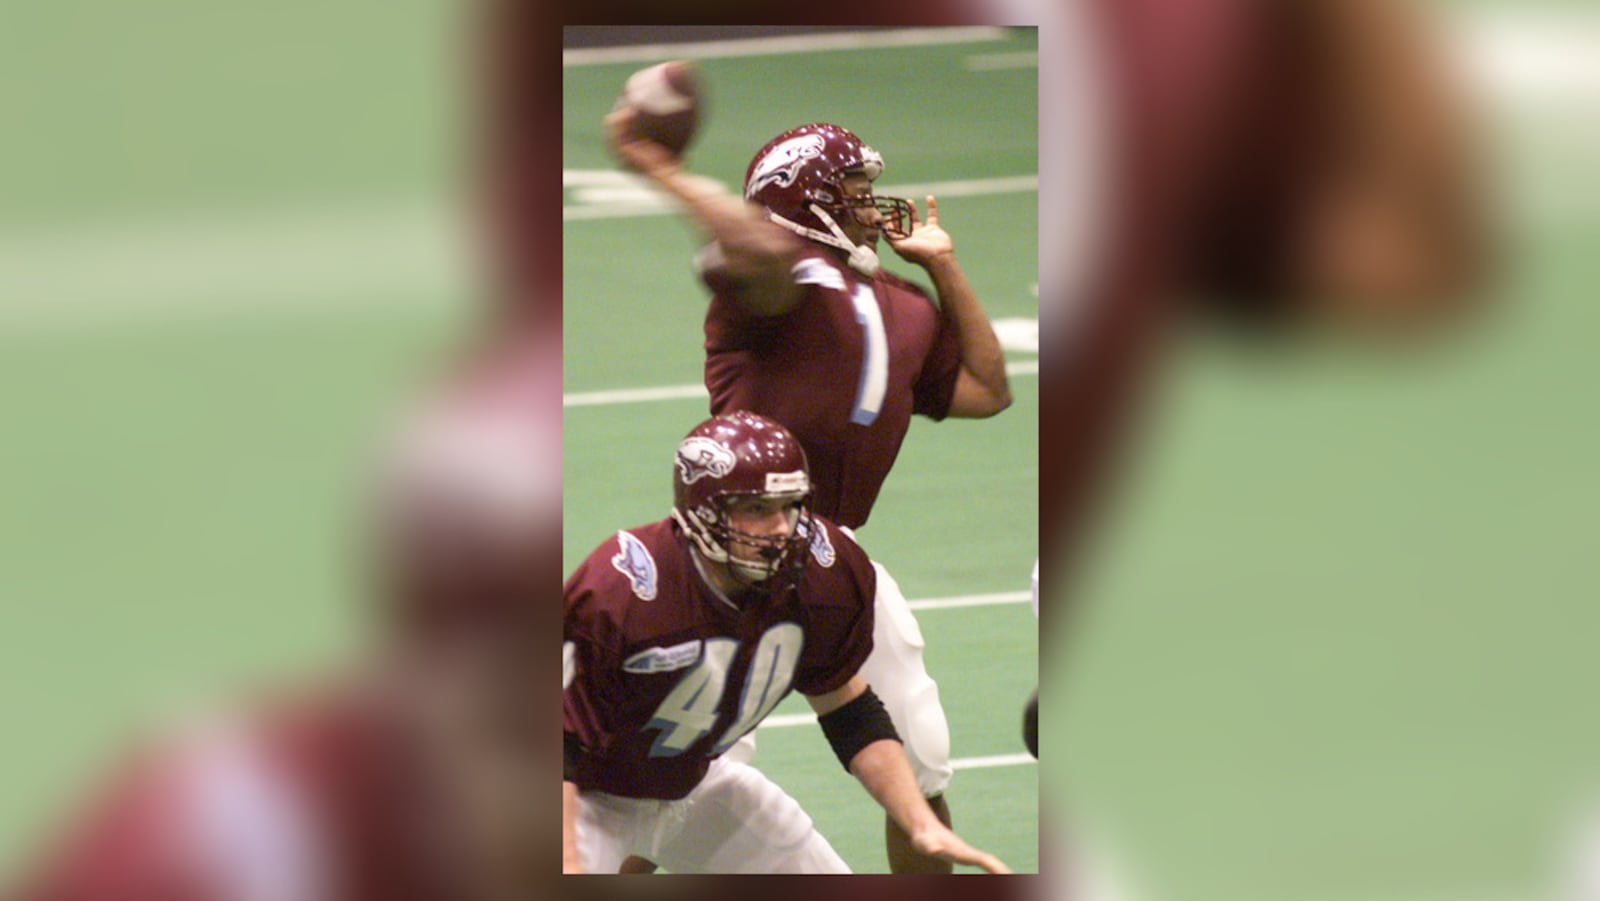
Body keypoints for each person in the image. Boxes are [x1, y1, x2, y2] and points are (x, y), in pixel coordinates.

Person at [605, 107, 1015, 874]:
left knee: (921, 770)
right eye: (856, 187)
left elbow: (988, 389)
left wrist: (944, 266)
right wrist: (659, 167)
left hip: (832, 551)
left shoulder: (903, 301)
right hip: (725, 554)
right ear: (810, 198)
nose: (872, 203)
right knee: (674, 780)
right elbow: (758, 242)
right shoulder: (776, 282)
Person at [562, 410, 1009, 875]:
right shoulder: (625, 593)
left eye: (789, 505)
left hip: (696, 783)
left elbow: (849, 709)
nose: (780, 527)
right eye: (756, 509)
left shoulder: (821, 575)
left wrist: (919, 822)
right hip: (586, 799)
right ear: (703, 511)